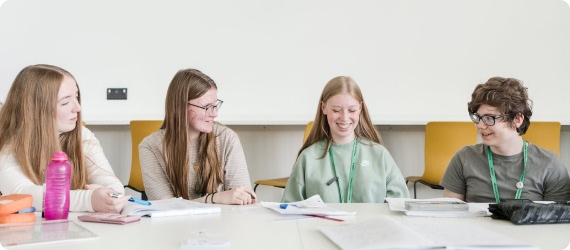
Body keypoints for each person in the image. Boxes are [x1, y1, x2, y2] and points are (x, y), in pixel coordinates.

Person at [0, 64, 130, 212]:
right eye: (65, 102)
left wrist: (111, 192)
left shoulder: (83, 135)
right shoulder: (5, 143)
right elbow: (23, 194)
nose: (77, 107)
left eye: (77, 97)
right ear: (36, 110)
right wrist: (89, 199)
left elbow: (108, 180)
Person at [281, 76, 410, 203]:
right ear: (324, 108)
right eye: (336, 110)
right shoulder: (308, 157)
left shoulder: (379, 154)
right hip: (321, 225)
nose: (344, 117)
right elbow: (291, 208)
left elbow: (401, 204)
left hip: (371, 224)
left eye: (352, 110)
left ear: (360, 108)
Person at [441, 77, 570, 203]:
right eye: (478, 117)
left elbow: (556, 220)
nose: (480, 125)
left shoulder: (549, 165)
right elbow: (451, 215)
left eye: (489, 118)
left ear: (517, 119)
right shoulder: (465, 158)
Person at [139, 68, 256, 205]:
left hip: (222, 222)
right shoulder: (150, 146)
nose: (214, 114)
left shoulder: (227, 138)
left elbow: (245, 200)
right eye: (206, 107)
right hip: (174, 226)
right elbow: (166, 207)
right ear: (181, 106)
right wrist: (214, 198)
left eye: (215, 105)